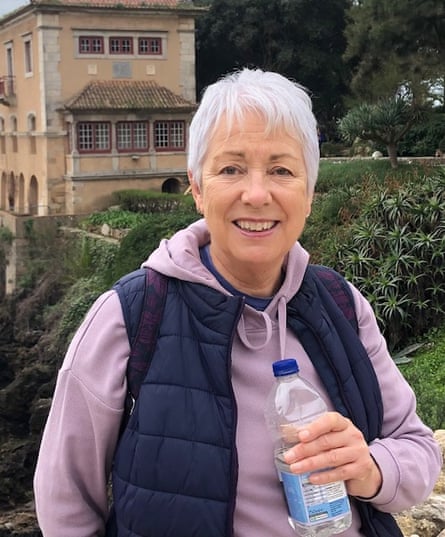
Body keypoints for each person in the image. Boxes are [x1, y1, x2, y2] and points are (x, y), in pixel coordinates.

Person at [33, 68, 442, 537]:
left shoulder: (341, 305)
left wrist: (370, 469)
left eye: (282, 170)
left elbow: (417, 448)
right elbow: (64, 498)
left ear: (308, 193)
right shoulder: (129, 315)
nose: (256, 193)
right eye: (230, 169)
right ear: (197, 187)